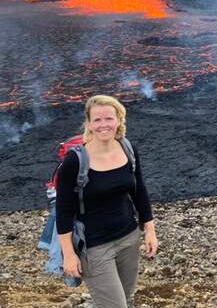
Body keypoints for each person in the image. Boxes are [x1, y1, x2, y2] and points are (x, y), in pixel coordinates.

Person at [56, 95, 157, 308]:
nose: (104, 125)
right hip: (94, 247)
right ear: (88, 124)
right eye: (97, 120)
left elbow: (139, 192)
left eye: (109, 119)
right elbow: (63, 212)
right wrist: (69, 255)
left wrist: (149, 230)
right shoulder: (74, 162)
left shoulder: (127, 149)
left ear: (119, 120)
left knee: (126, 300)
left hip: (129, 238)